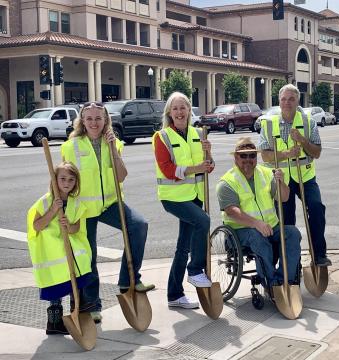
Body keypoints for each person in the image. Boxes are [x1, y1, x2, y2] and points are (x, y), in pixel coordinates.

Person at [61, 102, 153, 324]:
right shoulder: (70, 146)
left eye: (98, 118)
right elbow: (64, 179)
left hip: (110, 203)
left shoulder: (115, 143)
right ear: (82, 121)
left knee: (139, 225)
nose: (94, 122)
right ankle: (92, 304)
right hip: (84, 207)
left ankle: (128, 279)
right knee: (89, 255)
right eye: (89, 118)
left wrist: (112, 149)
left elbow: (121, 176)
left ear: (106, 121)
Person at [258, 83, 331, 267]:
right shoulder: (268, 124)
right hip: (282, 179)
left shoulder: (308, 122)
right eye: (284, 99)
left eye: (291, 99)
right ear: (279, 101)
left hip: (305, 176)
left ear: (298, 100)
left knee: (316, 208)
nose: (287, 103)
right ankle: (291, 261)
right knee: (286, 219)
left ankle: (319, 254)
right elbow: (265, 155)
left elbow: (317, 152)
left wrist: (302, 140)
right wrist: (286, 154)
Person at [153, 92, 214, 310]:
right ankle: (196, 270)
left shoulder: (198, 133)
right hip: (173, 197)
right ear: (169, 112)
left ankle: (174, 294)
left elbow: (208, 167)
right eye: (175, 108)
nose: (179, 112)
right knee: (203, 222)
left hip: (195, 196)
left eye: (183, 108)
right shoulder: (162, 136)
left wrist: (209, 156)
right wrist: (196, 168)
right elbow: (167, 169)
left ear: (189, 110)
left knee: (182, 246)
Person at [216, 137, 301, 293]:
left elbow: (284, 197)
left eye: (252, 155)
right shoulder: (226, 182)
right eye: (243, 155)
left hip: (271, 227)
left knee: (293, 233)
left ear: (257, 157)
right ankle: (271, 283)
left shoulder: (268, 173)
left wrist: (281, 182)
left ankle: (285, 281)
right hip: (240, 231)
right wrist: (256, 223)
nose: (248, 159)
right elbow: (231, 211)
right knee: (257, 236)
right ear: (235, 157)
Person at [27, 161, 92, 335]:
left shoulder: (75, 203)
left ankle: (76, 314)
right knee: (57, 287)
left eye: (71, 180)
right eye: (62, 178)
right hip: (54, 256)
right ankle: (54, 322)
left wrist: (68, 226)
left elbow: (77, 228)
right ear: (55, 180)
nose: (66, 183)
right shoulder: (45, 202)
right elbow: (37, 226)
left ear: (75, 183)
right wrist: (53, 211)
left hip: (70, 255)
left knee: (75, 285)